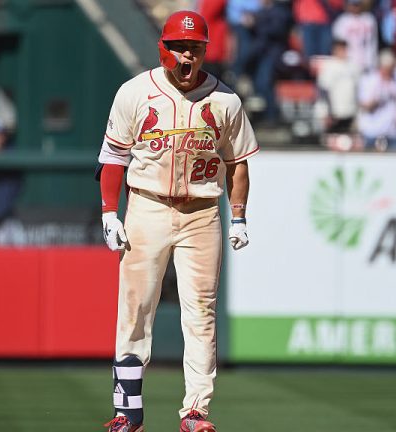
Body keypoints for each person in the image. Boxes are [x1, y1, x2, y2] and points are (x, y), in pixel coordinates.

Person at [97, 10, 258, 432]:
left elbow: (237, 163)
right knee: (135, 308)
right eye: (178, 47)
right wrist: (108, 212)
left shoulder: (225, 100)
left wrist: (237, 217)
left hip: (202, 212)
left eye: (195, 47)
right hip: (148, 205)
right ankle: (128, 412)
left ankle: (195, 412)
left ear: (205, 50)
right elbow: (113, 155)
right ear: (163, 48)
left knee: (201, 312)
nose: (187, 56)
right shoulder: (135, 92)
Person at [357, 49, 396, 150]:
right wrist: (378, 97)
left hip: (392, 133)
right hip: (372, 133)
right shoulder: (369, 80)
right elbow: (366, 105)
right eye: (386, 68)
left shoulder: (395, 80)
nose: (388, 72)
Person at [317, 39, 361, 134]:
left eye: (344, 49)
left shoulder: (353, 66)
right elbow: (323, 91)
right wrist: (326, 112)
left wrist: (359, 113)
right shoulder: (329, 66)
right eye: (340, 49)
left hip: (350, 111)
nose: (343, 52)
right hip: (334, 113)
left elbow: (359, 90)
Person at [332, 0, 378, 72]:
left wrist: (371, 61)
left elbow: (373, 43)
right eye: (353, 5)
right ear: (348, 6)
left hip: (367, 62)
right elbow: (339, 45)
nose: (355, 7)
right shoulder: (342, 21)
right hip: (348, 62)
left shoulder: (369, 19)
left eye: (357, 5)